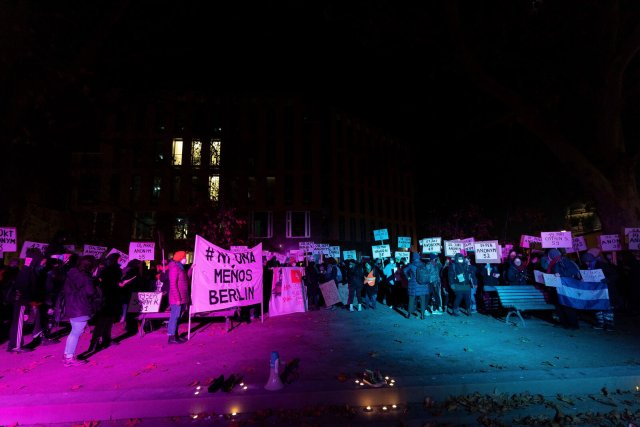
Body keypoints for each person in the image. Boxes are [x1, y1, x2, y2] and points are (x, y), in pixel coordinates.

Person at [7, 248, 46, 353]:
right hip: (21, 302)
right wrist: (27, 305)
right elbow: (23, 288)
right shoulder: (27, 270)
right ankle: (16, 346)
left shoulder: (28, 269)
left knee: (17, 323)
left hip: (21, 301)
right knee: (19, 324)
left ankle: (14, 345)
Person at [62, 255, 98, 366]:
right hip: (81, 308)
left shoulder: (71, 274)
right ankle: (69, 358)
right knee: (76, 333)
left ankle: (67, 355)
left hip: (72, 306)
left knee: (73, 332)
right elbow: (91, 292)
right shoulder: (85, 278)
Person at [87, 253, 122, 352]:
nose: (120, 260)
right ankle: (97, 341)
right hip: (109, 297)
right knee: (105, 320)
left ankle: (102, 340)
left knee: (106, 320)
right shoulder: (114, 269)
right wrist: (119, 284)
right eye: (119, 259)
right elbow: (115, 282)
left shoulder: (104, 269)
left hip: (106, 297)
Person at [580, 250, 618, 331]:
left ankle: (609, 324)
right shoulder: (586, 267)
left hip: (606, 290)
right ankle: (600, 323)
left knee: (607, 307)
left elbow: (615, 275)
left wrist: (607, 279)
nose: (586, 263)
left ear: (591, 260)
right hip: (595, 290)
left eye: (588, 261)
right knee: (597, 306)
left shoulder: (603, 265)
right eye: (585, 262)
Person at [546, 248, 581, 329]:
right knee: (560, 306)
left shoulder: (563, 261)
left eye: (549, 255)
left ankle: (573, 324)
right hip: (558, 288)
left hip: (566, 288)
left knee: (567, 306)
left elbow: (574, 271)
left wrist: (560, 274)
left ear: (552, 256)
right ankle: (564, 323)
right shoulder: (554, 262)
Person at [167, 251, 190, 344]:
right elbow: (173, 285)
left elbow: (185, 280)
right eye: (185, 257)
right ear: (180, 258)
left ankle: (175, 335)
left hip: (181, 297)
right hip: (177, 298)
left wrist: (191, 268)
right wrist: (177, 299)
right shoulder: (175, 268)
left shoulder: (180, 268)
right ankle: (171, 337)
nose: (186, 259)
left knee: (178, 317)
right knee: (175, 317)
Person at [403, 252, 430, 319]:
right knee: (422, 300)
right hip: (422, 285)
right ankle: (422, 315)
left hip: (413, 285)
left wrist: (408, 277)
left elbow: (404, 270)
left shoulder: (411, 265)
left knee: (411, 299)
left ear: (413, 258)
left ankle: (409, 314)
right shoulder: (423, 264)